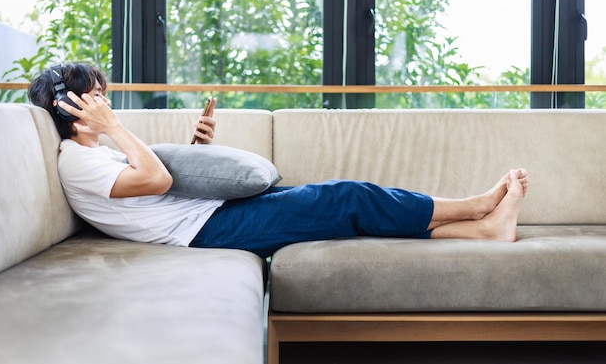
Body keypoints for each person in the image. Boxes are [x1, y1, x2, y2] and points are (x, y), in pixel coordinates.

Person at [28, 63, 529, 258]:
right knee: (346, 196)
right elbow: (156, 181)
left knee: (348, 212)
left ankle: (483, 231)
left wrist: (199, 150)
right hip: (208, 231)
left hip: (209, 214)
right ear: (67, 106)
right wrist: (116, 127)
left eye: (104, 96)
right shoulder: (76, 161)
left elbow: (156, 186)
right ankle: (473, 208)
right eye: (94, 97)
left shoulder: (95, 152)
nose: (106, 105)